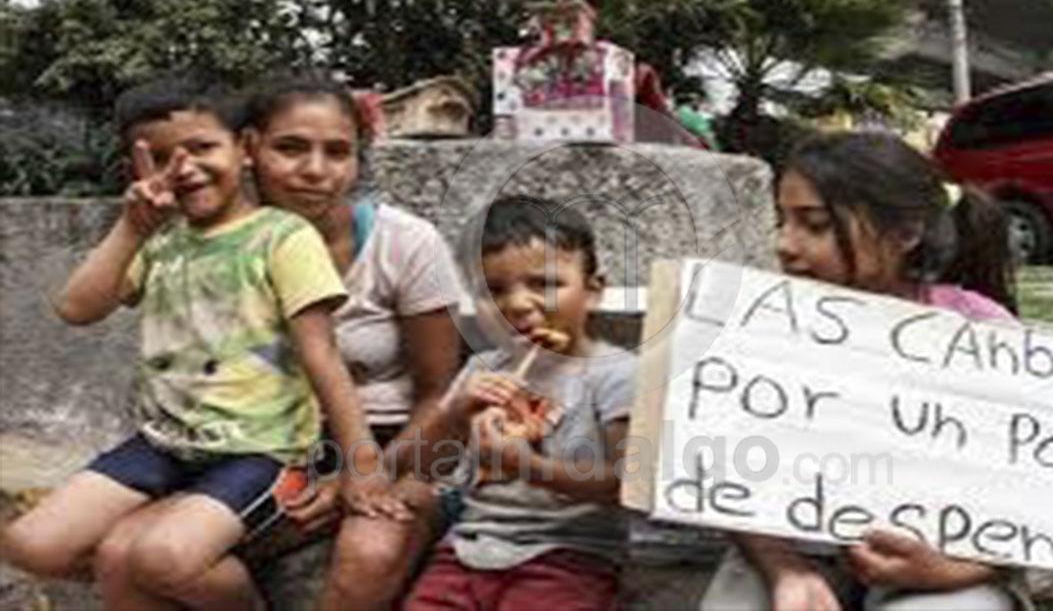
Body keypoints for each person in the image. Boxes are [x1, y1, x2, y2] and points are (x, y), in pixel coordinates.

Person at [0, 76, 384, 610]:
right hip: (164, 445)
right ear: (137, 167)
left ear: (244, 148)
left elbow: (322, 355)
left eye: (202, 147)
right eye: (160, 157)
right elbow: (76, 308)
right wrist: (132, 228)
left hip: (262, 449)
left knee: (161, 556)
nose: (183, 168)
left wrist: (361, 466)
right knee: (31, 544)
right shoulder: (158, 240)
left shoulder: (283, 237)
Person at [701, 131, 1028, 611]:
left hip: (943, 555)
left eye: (815, 225)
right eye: (781, 220)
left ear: (905, 234)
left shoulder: (981, 332)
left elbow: (1039, 496)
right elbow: (724, 470)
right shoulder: (759, 326)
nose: (783, 244)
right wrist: (783, 569)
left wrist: (959, 569)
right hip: (790, 549)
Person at [243, 74, 464, 611]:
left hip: (406, 445)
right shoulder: (225, 246)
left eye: (337, 152)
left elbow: (441, 393)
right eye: (291, 148)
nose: (315, 170)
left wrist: (362, 474)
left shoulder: (404, 243)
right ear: (250, 148)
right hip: (275, 448)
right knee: (158, 550)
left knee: (369, 554)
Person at [401, 195, 635, 611]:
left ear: (593, 292)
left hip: (570, 556)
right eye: (494, 291)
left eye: (544, 284)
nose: (517, 305)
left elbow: (625, 486)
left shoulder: (615, 375)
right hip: (466, 550)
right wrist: (455, 413)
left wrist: (526, 466)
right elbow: (425, 466)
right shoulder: (482, 369)